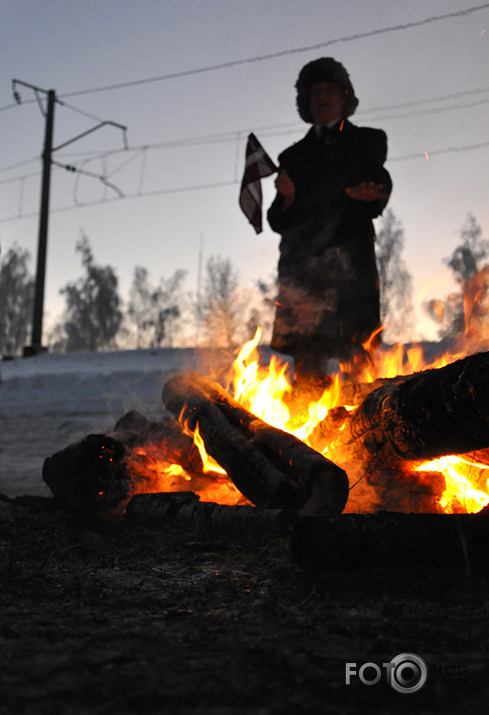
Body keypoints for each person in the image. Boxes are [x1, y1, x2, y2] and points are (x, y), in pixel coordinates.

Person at [267, 57, 392, 385]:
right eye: (315, 92)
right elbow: (276, 219)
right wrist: (287, 199)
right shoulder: (291, 157)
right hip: (304, 275)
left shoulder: (367, 142)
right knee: (307, 370)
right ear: (306, 103)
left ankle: (370, 430)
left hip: (351, 272)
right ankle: (298, 432)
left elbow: (380, 179)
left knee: (359, 366)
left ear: (343, 97)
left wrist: (375, 193)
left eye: (329, 90)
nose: (322, 97)